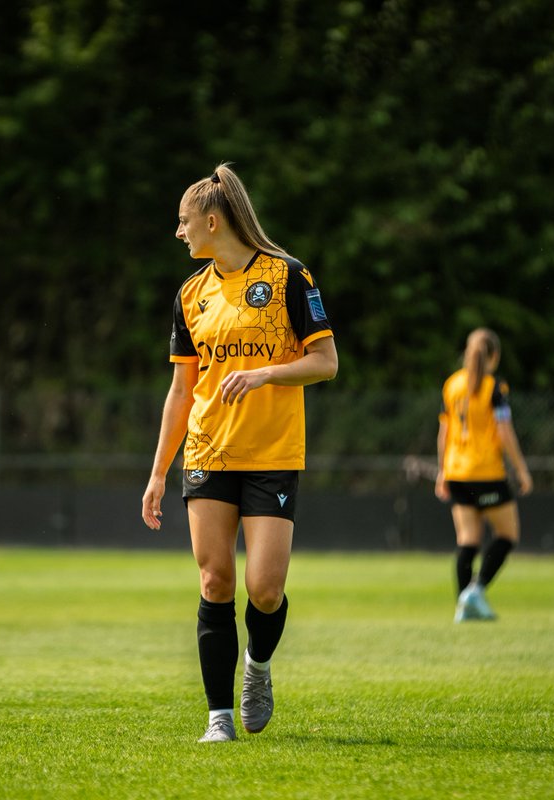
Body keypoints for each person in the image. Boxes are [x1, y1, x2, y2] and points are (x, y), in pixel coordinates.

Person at [141, 164, 338, 743]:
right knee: (214, 581)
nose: (178, 233)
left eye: (183, 222)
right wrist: (157, 473)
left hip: (274, 452)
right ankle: (218, 718)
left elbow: (326, 363)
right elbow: (181, 391)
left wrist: (264, 375)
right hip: (207, 451)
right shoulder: (190, 295)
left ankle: (258, 665)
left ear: (211, 220)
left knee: (265, 589)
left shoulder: (289, 277)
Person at [435, 328, 533, 622]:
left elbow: (444, 433)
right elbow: (504, 432)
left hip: (457, 471)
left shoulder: (452, 385)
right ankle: (474, 592)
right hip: (487, 472)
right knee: (507, 534)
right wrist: (521, 470)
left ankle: (463, 605)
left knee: (468, 540)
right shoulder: (495, 386)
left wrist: (442, 472)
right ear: (495, 355)